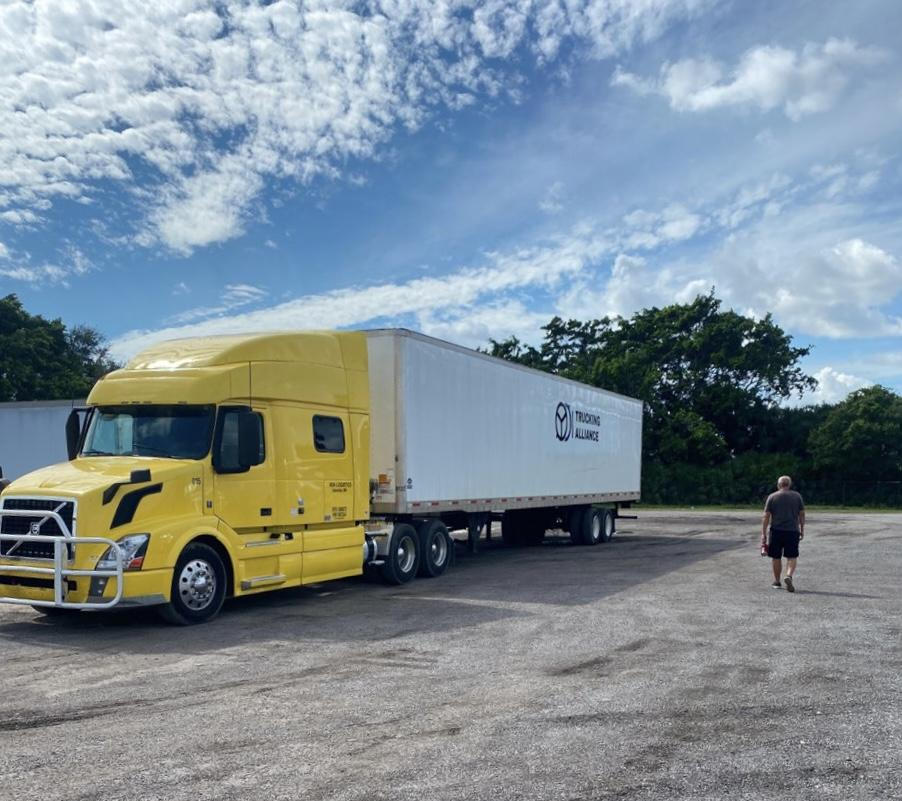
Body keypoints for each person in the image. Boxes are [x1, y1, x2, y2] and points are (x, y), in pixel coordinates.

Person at [761, 476, 805, 592]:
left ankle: (777, 581)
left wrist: (763, 533)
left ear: (778, 485)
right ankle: (789, 575)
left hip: (776, 531)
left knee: (776, 557)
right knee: (792, 556)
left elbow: (766, 516)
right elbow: (801, 514)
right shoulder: (797, 496)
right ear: (789, 485)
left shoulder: (772, 497)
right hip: (792, 531)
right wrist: (802, 529)